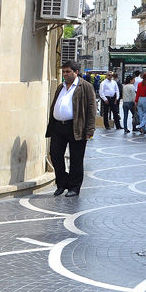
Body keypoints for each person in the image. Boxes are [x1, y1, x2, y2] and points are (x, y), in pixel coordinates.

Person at [48, 60, 97, 197]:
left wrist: (90, 130)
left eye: (68, 72)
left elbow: (92, 109)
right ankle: (62, 183)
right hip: (58, 127)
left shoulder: (85, 86)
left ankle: (74, 187)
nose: (65, 74)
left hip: (76, 127)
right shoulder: (61, 87)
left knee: (76, 158)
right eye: (64, 72)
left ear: (76, 72)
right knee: (55, 155)